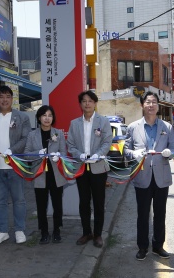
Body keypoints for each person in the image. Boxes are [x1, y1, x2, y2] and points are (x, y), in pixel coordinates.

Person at [125, 92, 174, 260]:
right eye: (148, 102)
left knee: (160, 213)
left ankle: (158, 245)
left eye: (154, 102)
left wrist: (169, 154)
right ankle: (142, 246)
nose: (151, 105)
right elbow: (125, 149)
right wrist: (133, 154)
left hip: (161, 177)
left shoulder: (166, 127)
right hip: (142, 175)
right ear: (142, 105)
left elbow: (173, 149)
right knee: (142, 214)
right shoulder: (133, 127)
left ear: (158, 105)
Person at [0, 85, 31, 245]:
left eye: (8, 96)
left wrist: (11, 150)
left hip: (15, 165)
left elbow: (25, 138)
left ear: (12, 99)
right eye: (1, 96)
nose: (4, 99)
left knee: (19, 200)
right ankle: (2, 231)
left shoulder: (22, 117)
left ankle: (19, 230)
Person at [67, 90, 113, 248]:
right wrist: (79, 155)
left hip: (98, 168)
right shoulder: (75, 123)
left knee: (99, 203)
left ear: (95, 103)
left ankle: (98, 234)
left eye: (90, 101)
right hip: (81, 168)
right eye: (84, 101)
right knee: (84, 202)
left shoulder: (103, 121)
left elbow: (107, 142)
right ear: (80, 104)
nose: (87, 104)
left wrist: (97, 155)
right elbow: (70, 145)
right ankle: (87, 232)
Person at [25, 105, 67, 244]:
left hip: (56, 175)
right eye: (44, 115)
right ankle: (43, 232)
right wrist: (37, 154)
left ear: (53, 118)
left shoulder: (58, 133)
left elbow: (64, 153)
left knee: (57, 205)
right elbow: (26, 154)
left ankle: (57, 231)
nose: (47, 118)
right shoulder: (32, 134)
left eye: (50, 115)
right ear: (39, 118)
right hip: (39, 175)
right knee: (41, 206)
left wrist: (58, 156)